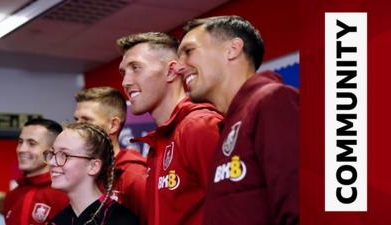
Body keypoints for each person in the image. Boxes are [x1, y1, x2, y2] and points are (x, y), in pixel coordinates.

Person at [176, 15, 299, 225]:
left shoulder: (273, 100)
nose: (179, 66)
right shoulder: (228, 125)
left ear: (232, 49)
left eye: (189, 51)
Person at [118, 32, 223, 225]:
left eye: (136, 68)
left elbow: (232, 207)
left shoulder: (199, 126)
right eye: (124, 72)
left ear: (171, 71)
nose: (125, 82)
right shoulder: (159, 141)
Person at [74, 86, 147, 219]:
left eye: (86, 120)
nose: (77, 128)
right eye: (76, 120)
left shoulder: (135, 177)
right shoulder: (77, 172)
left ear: (113, 125)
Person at [45, 122, 139, 225]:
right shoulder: (57, 221)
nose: (52, 162)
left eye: (64, 155)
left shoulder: (121, 220)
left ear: (94, 166)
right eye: (53, 153)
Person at [3, 118, 69, 225]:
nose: (21, 149)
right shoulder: (12, 196)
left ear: (52, 151)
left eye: (32, 143)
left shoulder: (67, 195)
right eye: (20, 142)